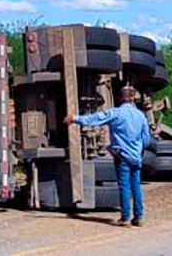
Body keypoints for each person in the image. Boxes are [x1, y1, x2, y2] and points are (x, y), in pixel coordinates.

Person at [64, 87, 150, 227]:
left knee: (124, 186)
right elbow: (146, 139)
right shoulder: (140, 116)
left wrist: (75, 119)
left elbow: (96, 119)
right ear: (133, 98)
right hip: (136, 157)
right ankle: (139, 217)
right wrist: (139, 152)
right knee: (136, 186)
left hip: (122, 156)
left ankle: (125, 217)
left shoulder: (116, 113)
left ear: (120, 98)